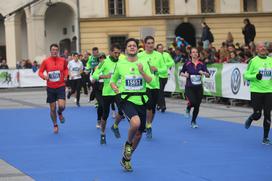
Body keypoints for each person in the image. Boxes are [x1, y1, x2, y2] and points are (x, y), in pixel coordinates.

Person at [110, 38, 154, 172]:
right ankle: (128, 144)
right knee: (135, 123)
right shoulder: (121, 64)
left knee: (139, 135)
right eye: (129, 46)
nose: (132, 47)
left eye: (134, 45)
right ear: (126, 50)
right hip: (126, 99)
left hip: (141, 100)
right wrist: (114, 87)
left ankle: (126, 159)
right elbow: (113, 80)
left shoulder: (143, 63)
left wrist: (142, 72)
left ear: (137, 48)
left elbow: (150, 81)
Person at [92, 44, 124, 144]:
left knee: (122, 111)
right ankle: (102, 133)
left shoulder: (122, 62)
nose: (117, 55)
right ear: (110, 52)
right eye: (115, 53)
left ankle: (115, 126)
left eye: (119, 53)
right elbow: (95, 75)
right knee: (105, 114)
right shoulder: (104, 62)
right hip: (107, 92)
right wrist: (104, 76)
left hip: (118, 91)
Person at [138, 36, 167, 139]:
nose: (150, 45)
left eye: (152, 43)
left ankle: (149, 124)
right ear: (145, 44)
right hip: (143, 85)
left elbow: (165, 69)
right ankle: (145, 124)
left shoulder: (159, 55)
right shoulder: (139, 55)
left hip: (155, 85)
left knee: (152, 108)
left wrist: (157, 69)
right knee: (147, 105)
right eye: (148, 43)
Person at [244, 42, 272, 145]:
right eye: (260, 47)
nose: (263, 48)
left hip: (269, 91)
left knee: (268, 114)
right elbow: (246, 75)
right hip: (256, 91)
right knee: (257, 114)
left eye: (264, 47)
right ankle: (252, 118)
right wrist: (255, 76)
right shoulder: (253, 61)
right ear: (257, 50)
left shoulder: (271, 60)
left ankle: (265, 138)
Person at [38, 44, 68, 134]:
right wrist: (44, 76)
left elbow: (66, 69)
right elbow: (40, 72)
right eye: (53, 50)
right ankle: (55, 125)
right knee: (52, 108)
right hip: (50, 87)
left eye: (56, 50)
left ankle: (60, 113)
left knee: (62, 106)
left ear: (58, 51)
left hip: (61, 86)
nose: (54, 51)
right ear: (50, 51)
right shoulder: (46, 61)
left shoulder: (63, 60)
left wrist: (66, 75)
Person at [180, 47, 210, 128]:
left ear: (198, 54)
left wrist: (203, 73)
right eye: (193, 52)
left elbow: (208, 74)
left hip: (199, 88)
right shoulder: (187, 64)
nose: (195, 53)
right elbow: (181, 72)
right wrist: (185, 75)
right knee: (193, 102)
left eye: (196, 52)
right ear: (190, 54)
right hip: (189, 87)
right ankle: (188, 108)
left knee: (197, 105)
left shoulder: (201, 64)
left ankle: (193, 121)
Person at [156, 43, 175, 112]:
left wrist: (165, 65)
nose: (161, 49)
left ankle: (158, 104)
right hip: (157, 76)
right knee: (160, 91)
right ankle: (163, 106)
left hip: (165, 76)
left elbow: (172, 62)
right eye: (159, 48)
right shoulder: (155, 55)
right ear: (157, 49)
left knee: (160, 91)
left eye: (162, 48)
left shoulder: (166, 54)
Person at [90, 52, 106, 128]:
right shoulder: (95, 68)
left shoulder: (108, 67)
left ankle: (103, 120)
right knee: (101, 104)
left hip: (106, 88)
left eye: (103, 57)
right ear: (98, 59)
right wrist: (94, 78)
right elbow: (92, 79)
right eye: (100, 58)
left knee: (105, 106)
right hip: (98, 88)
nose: (102, 59)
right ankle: (99, 120)